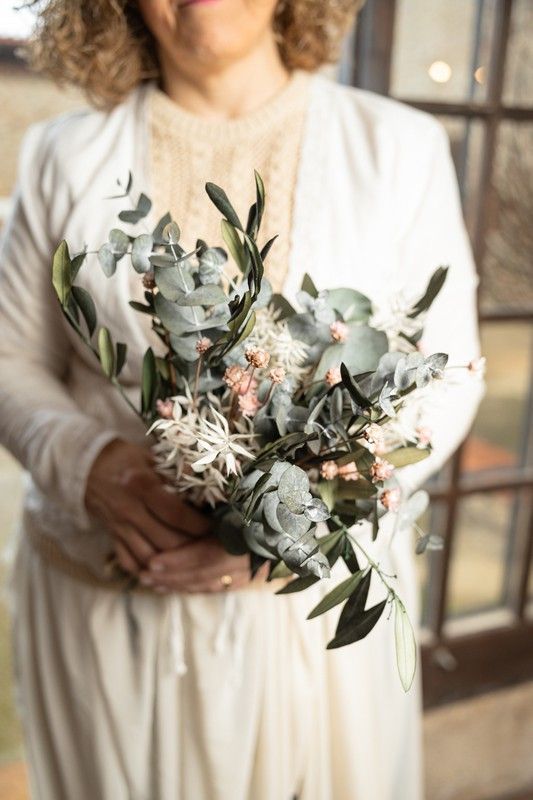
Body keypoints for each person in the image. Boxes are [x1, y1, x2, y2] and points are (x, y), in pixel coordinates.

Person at [0, 1, 483, 798]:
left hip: (314, 625)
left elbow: (449, 370)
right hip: (102, 607)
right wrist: (92, 465)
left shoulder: (397, 147)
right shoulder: (61, 153)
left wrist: (308, 517)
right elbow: (11, 357)